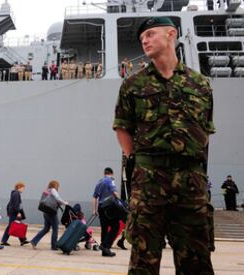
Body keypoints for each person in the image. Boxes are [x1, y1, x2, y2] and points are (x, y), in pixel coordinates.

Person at [113, 17, 215, 274]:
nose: (144, 41)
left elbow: (206, 130)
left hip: (191, 182)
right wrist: (138, 162)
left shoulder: (200, 84)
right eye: (142, 38)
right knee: (143, 261)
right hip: (149, 182)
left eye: (149, 34)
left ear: (171, 34)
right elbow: (122, 127)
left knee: (196, 259)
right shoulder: (132, 85)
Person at [30, 180, 68, 250]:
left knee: (46, 229)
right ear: (55, 185)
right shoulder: (53, 190)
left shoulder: (47, 190)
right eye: (58, 186)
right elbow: (57, 198)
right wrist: (65, 203)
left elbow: (52, 200)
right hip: (51, 212)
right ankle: (54, 246)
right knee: (55, 229)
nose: (58, 187)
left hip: (45, 212)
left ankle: (34, 241)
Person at [92, 167, 120, 257]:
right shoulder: (110, 180)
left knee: (104, 228)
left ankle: (104, 251)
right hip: (109, 208)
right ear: (111, 173)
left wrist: (94, 210)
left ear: (104, 173)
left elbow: (94, 197)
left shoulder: (99, 182)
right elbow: (115, 193)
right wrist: (120, 202)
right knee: (116, 226)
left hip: (101, 208)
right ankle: (105, 246)